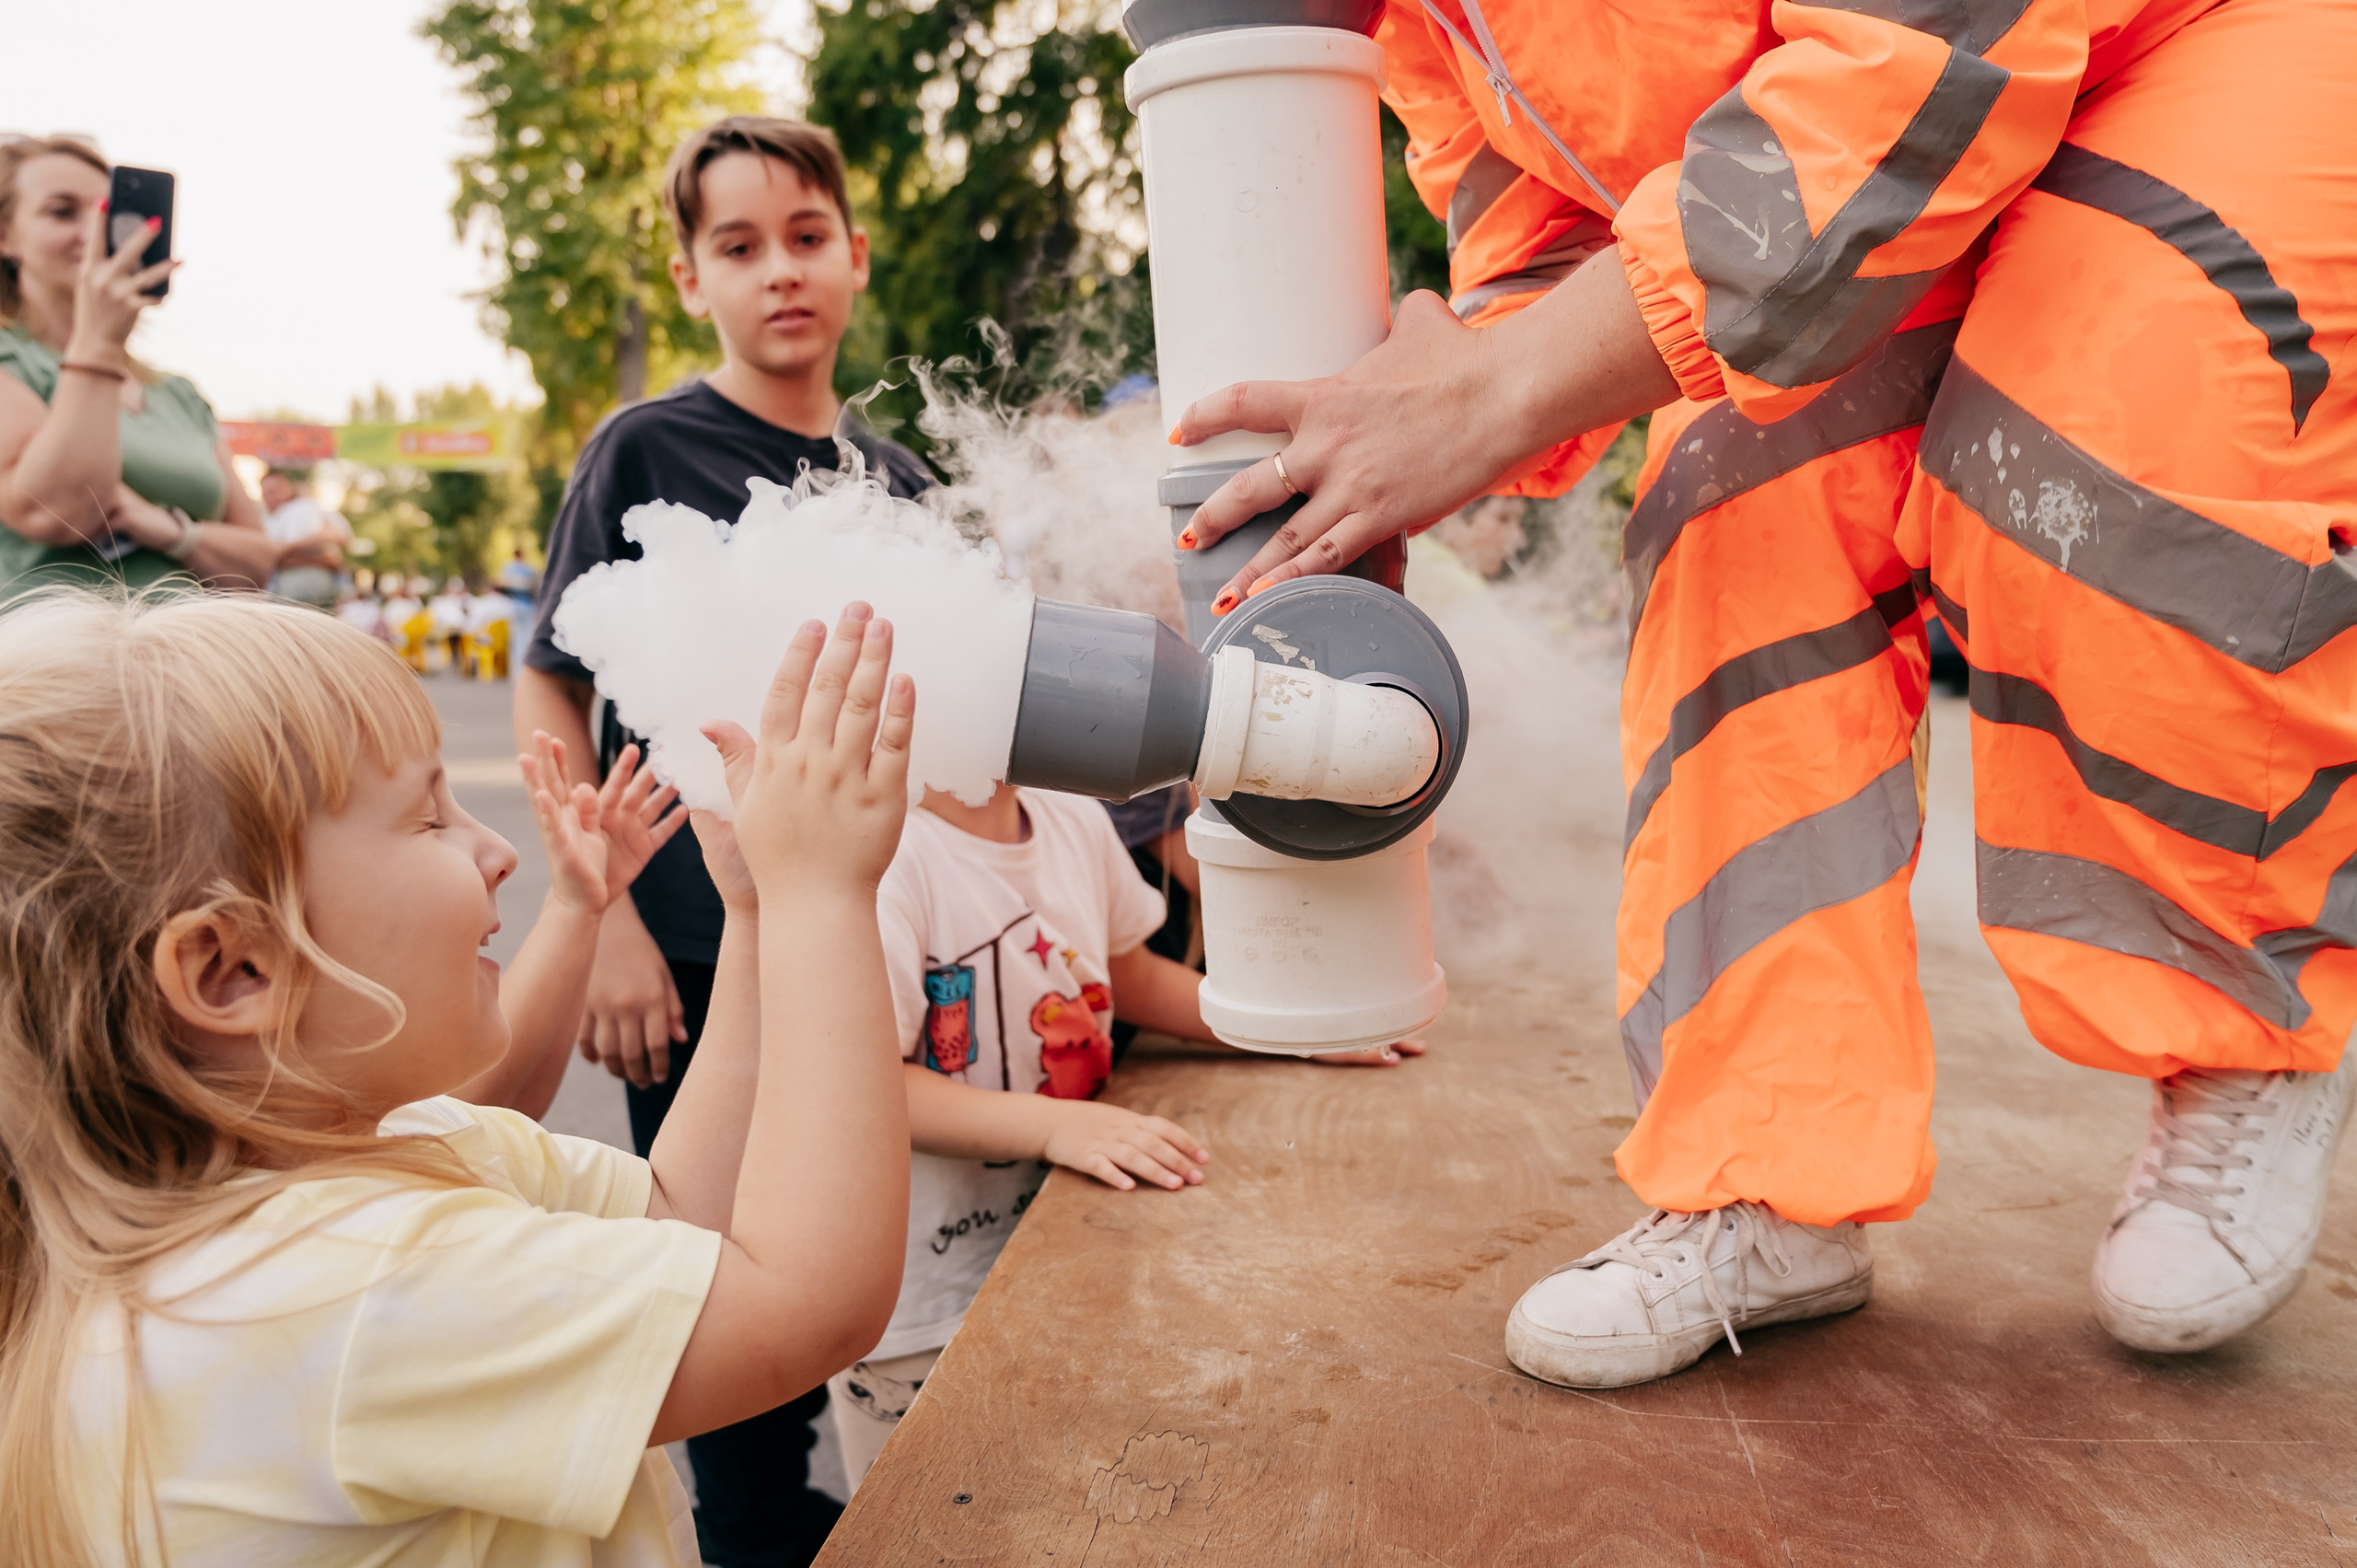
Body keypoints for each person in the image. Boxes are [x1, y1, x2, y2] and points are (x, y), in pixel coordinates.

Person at [1169, 0, 2357, 1386]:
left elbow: (1918, 58)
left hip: (2165, 49)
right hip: (1847, 181)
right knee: (1730, 505)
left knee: (2095, 437)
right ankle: (1770, 1168)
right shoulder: (1431, 33)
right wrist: (1424, 397)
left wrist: (1492, 394)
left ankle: (2240, 1035)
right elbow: (1557, 258)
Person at [2, 590, 917, 1568]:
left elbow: (681, 1207)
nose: (498, 851)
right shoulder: (336, 1293)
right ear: (234, 969)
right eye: (427, 818)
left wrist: (756, 912)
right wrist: (824, 889)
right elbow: (805, 1302)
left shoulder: (396, 1151)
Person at [515, 114, 932, 1564]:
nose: (781, 274)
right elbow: (549, 674)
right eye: (739, 248)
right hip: (697, 949)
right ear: (692, 276)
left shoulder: (894, 479)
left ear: (854, 256)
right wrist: (613, 920)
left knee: (882, 1247)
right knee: (717, 1282)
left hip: (855, 935)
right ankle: (756, 1533)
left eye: (806, 238)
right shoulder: (644, 446)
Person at [828, 779, 1422, 1493]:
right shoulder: (879, 858)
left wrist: (1281, 1029)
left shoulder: (1074, 813)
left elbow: (1130, 975)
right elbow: (862, 1087)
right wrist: (1056, 1124)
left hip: (1058, 1253)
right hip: (919, 1302)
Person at [0, 135, 303, 597]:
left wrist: (165, 527)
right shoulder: (12, 360)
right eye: (63, 212)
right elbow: (61, 512)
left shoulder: (178, 394)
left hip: (190, 663)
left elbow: (255, 567)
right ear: (5, 236)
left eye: (107, 210)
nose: (95, 231)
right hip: (54, 664)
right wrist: (99, 343)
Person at [258, 466, 352, 609]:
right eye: (267, 493)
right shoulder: (266, 517)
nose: (272, 497)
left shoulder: (305, 507)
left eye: (275, 491)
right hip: (286, 585)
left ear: (288, 488)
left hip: (305, 582)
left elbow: (338, 535)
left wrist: (288, 548)